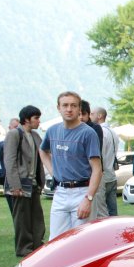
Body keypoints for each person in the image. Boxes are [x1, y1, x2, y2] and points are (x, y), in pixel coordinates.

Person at [39, 91, 102, 240]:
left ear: (79, 109)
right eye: (65, 105)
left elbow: (97, 169)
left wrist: (89, 198)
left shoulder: (88, 133)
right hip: (60, 192)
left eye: (73, 105)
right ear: (58, 108)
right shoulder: (52, 131)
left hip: (82, 192)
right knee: (55, 241)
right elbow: (43, 151)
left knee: (82, 241)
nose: (69, 109)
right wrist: (54, 172)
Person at [4, 104, 46, 257]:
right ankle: (24, 248)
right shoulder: (14, 134)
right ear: (27, 120)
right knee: (22, 219)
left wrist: (41, 181)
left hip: (34, 184)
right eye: (36, 118)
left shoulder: (35, 136)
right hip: (20, 184)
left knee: (37, 217)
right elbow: (10, 161)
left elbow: (41, 160)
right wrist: (15, 185)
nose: (38, 121)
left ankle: (37, 245)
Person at [92, 106, 120, 216]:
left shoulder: (101, 132)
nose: (90, 116)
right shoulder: (114, 132)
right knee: (113, 211)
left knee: (101, 212)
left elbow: (100, 154)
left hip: (103, 176)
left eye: (92, 113)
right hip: (112, 175)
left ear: (99, 116)